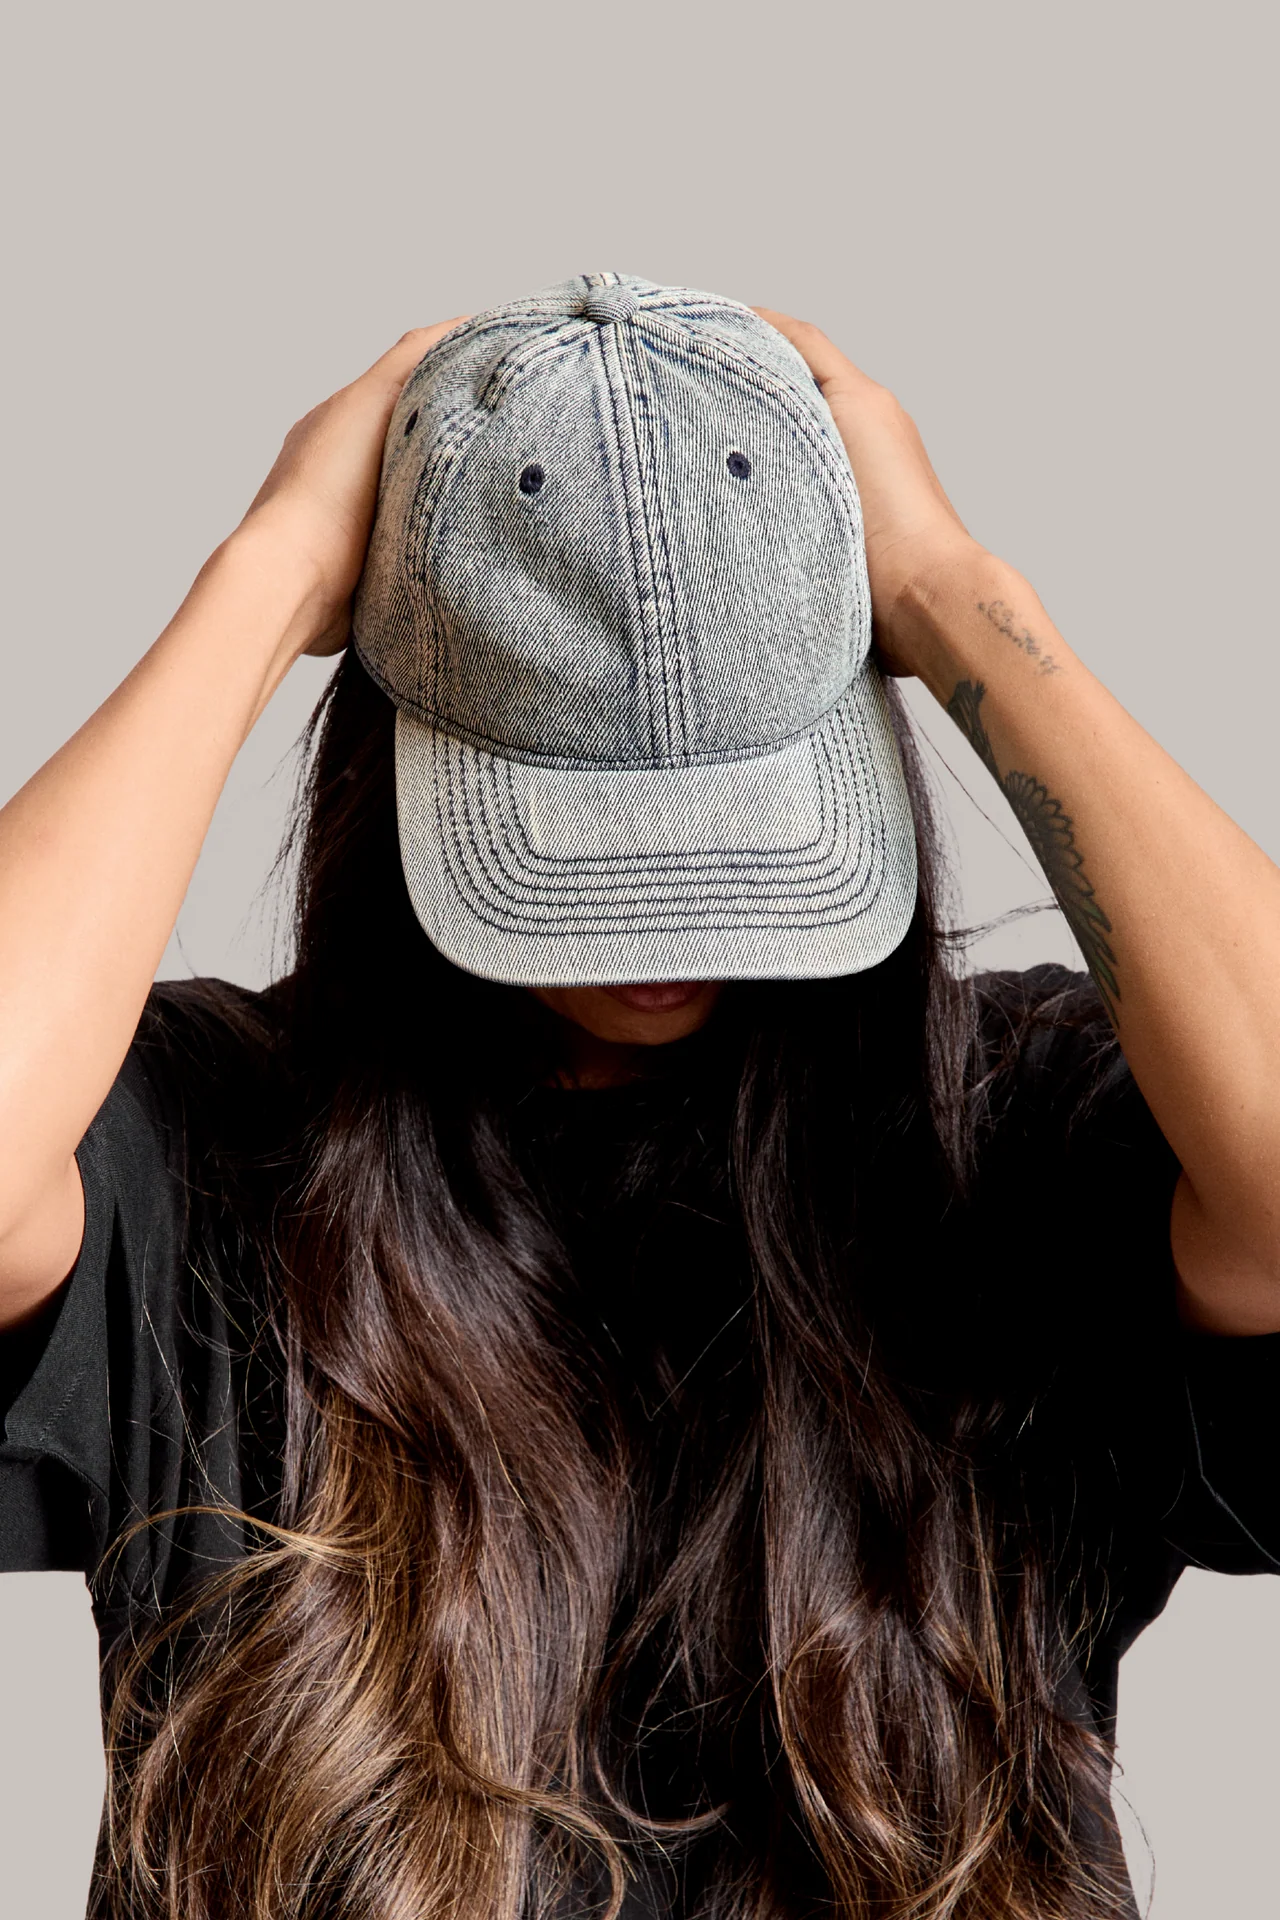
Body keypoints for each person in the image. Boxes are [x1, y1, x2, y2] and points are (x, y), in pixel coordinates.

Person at [0, 270, 1276, 1920]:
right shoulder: (212, 1154)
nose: (668, 924)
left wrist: (962, 600)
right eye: (589, 837)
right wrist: (265, 578)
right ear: (396, 761)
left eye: (731, 822)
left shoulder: (1004, 1137)